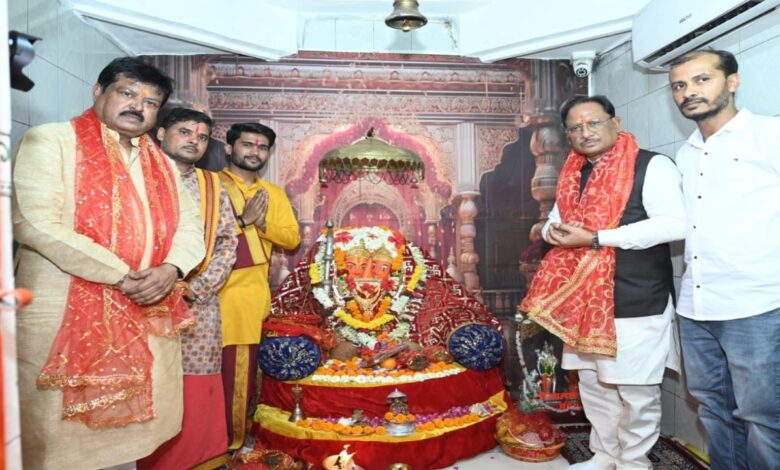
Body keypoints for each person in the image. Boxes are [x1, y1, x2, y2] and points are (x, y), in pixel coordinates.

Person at [12, 57, 205, 469]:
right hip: (63, 312)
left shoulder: (162, 163)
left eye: (151, 102)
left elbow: (191, 226)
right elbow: (34, 221)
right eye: (128, 93)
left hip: (146, 310)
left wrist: (171, 269)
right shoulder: (53, 141)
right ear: (98, 92)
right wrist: (126, 276)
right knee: (55, 441)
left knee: (131, 440)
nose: (139, 106)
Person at [520, 95, 686, 470]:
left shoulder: (652, 166)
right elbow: (555, 220)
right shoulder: (573, 173)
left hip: (636, 298)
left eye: (593, 123)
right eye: (576, 128)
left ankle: (634, 462)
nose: (585, 132)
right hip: (581, 302)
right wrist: (554, 232)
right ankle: (605, 455)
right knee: (594, 384)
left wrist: (596, 238)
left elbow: (673, 225)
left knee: (636, 390)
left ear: (615, 121)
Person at [668, 49, 780, 470]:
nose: (688, 92)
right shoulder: (686, 153)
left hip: (758, 305)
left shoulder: (770, 134)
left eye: (701, 80)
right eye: (679, 86)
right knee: (713, 412)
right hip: (697, 306)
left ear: (732, 82)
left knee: (765, 420)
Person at [137, 108, 238, 469]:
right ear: (160, 133)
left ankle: (200, 459)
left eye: (202, 137)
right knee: (151, 381)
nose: (194, 140)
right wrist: (150, 283)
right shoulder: (135, 177)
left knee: (198, 382)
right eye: (185, 132)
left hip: (198, 304)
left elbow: (228, 243)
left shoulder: (213, 186)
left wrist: (198, 288)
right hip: (142, 298)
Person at [218, 122, 301, 450]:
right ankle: (207, 444)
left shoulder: (273, 194)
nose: (255, 151)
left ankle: (232, 446)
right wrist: (240, 222)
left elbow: (291, 239)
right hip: (204, 292)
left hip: (247, 297)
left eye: (262, 147)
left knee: (240, 375)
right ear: (229, 148)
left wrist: (261, 222)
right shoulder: (210, 185)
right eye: (247, 144)